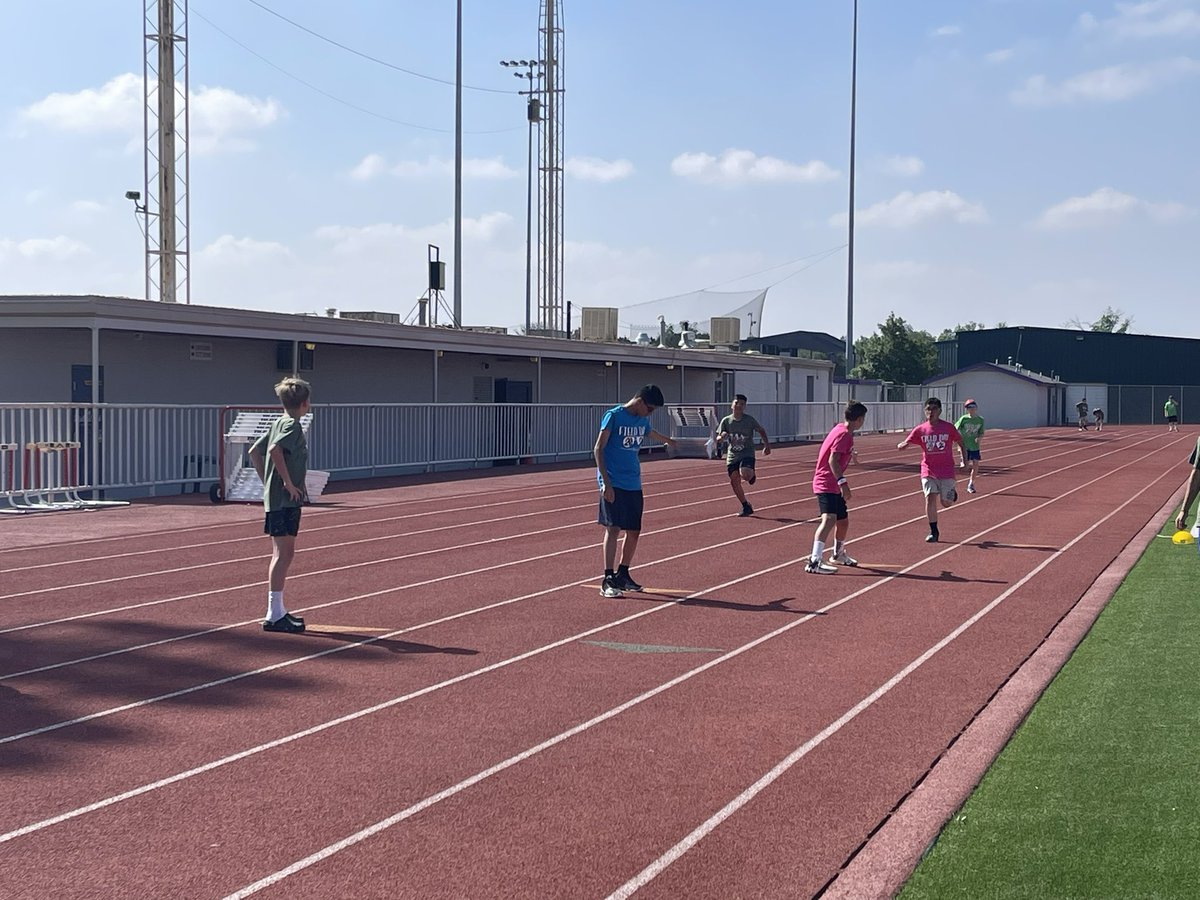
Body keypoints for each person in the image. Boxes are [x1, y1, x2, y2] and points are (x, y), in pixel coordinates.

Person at [593, 384, 676, 598]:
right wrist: (605, 483)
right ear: (639, 402)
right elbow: (598, 449)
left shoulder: (643, 420)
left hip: (633, 483)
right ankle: (608, 578)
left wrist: (670, 441)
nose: (650, 413)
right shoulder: (613, 416)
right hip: (614, 482)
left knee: (634, 530)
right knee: (613, 528)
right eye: (650, 409)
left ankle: (623, 573)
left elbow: (651, 433)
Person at [248, 376, 311, 634]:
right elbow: (273, 450)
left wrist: (267, 483)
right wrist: (286, 483)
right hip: (286, 500)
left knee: (282, 554)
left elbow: (254, 451)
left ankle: (278, 611)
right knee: (284, 554)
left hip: (278, 499)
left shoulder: (277, 422)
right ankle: (274, 614)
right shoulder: (292, 427)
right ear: (305, 403)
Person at [806, 401, 868, 574]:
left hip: (833, 485)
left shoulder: (842, 429)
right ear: (859, 419)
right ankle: (814, 561)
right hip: (826, 482)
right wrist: (843, 483)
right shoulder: (844, 434)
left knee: (843, 521)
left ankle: (838, 554)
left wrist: (851, 456)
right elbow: (833, 460)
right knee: (829, 520)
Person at [898, 396, 964, 543]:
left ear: (940, 410)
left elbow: (960, 442)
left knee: (946, 503)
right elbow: (908, 441)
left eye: (934, 409)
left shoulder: (948, 428)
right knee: (930, 498)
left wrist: (964, 461)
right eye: (928, 409)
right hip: (928, 470)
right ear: (925, 411)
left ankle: (951, 494)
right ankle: (934, 531)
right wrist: (903, 445)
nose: (931, 412)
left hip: (946, 470)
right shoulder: (921, 429)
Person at [716, 394, 772, 516]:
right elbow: (719, 437)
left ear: (745, 406)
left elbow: (761, 430)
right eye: (737, 403)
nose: (739, 406)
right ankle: (746, 506)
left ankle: (751, 475)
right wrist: (721, 437)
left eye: (742, 404)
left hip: (747, 452)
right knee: (734, 481)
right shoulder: (726, 421)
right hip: (732, 455)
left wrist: (766, 445)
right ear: (732, 405)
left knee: (745, 473)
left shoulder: (749, 420)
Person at [954, 399, 985, 493]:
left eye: (973, 407)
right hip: (964, 446)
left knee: (976, 465)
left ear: (976, 408)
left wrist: (979, 438)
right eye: (969, 408)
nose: (971, 409)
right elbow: (955, 428)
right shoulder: (964, 419)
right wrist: (958, 440)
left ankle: (971, 484)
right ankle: (951, 483)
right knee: (965, 467)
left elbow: (981, 432)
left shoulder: (980, 420)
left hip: (974, 446)